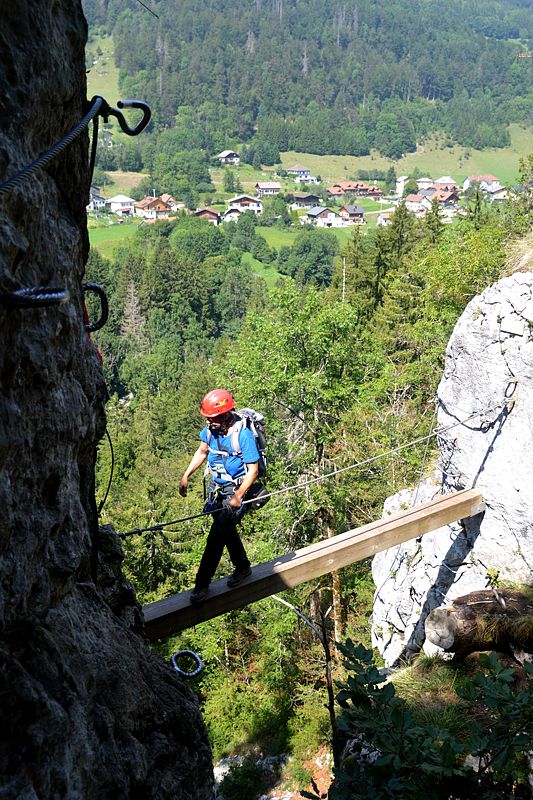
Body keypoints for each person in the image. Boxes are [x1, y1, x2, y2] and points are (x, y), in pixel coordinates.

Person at [179, 388, 259, 603]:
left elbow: (253, 470)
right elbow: (202, 451)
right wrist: (186, 475)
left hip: (239, 489)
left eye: (212, 418)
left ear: (225, 415)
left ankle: (201, 584)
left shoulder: (243, 435)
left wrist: (238, 496)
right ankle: (242, 567)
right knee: (226, 531)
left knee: (216, 536)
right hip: (219, 489)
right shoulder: (209, 431)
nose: (209, 422)